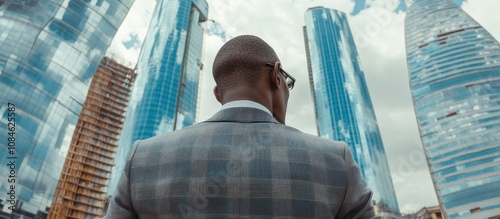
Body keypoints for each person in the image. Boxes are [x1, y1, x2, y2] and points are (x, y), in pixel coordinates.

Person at [104, 35, 375, 218]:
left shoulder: (142, 159)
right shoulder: (336, 160)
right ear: (276, 76)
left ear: (218, 94)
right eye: (287, 82)